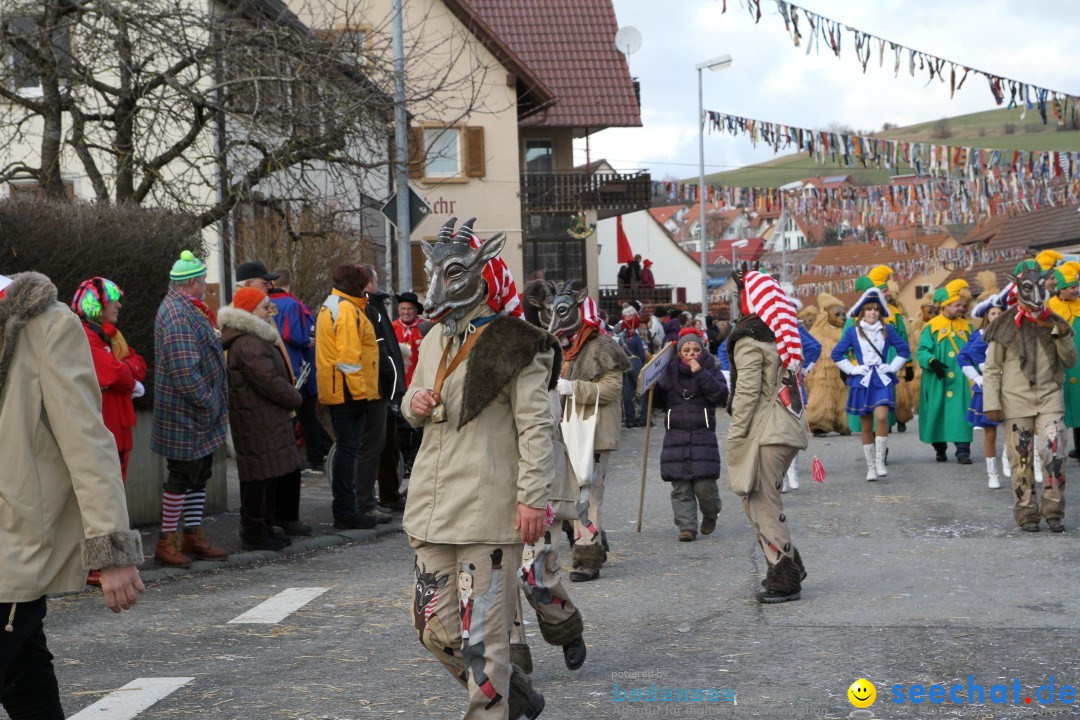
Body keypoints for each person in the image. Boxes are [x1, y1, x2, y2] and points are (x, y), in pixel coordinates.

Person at [404, 217, 552, 719]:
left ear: (481, 273)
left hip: (489, 508)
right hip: (432, 504)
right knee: (433, 627)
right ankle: (515, 694)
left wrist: (534, 496)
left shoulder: (515, 343)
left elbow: (537, 427)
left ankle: (492, 701)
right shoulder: (431, 341)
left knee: (487, 639)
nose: (436, 289)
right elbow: (412, 403)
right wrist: (414, 404)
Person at [1, 271, 145, 719]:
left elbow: (87, 440)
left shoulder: (46, 325)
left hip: (13, 542)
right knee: (24, 679)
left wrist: (112, 549)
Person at [725, 269, 809, 604]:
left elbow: (746, 392)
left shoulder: (749, 338)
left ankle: (784, 577)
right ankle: (789, 563)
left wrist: (735, 434)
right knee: (764, 501)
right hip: (787, 427)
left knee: (761, 504)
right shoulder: (780, 333)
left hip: (765, 430)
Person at [984, 260, 1077, 532]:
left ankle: (1054, 511)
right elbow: (992, 369)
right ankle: (1026, 513)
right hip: (1016, 403)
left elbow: (1070, 361)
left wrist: (1061, 336)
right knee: (1021, 459)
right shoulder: (1004, 325)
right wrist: (991, 403)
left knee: (1054, 451)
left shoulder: (1056, 321)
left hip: (1049, 398)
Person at [151, 250, 229, 567]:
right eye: (202, 280)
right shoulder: (178, 314)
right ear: (192, 282)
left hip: (197, 414)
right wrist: (208, 401)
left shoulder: (188, 308)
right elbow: (184, 371)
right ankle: (166, 541)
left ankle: (192, 535)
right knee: (181, 477)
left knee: (200, 475)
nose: (205, 285)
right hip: (187, 414)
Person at [549, 283, 630, 583]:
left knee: (587, 495)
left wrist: (575, 389)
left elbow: (611, 389)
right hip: (567, 432)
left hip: (594, 433)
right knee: (574, 494)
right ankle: (596, 539)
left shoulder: (603, 347)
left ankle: (586, 558)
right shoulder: (563, 347)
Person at [219, 288, 304, 551]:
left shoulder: (252, 338)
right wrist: (294, 396)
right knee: (258, 478)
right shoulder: (248, 342)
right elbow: (267, 380)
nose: (270, 312)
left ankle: (264, 528)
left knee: (266, 476)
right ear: (249, 311)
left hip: (262, 417)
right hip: (256, 419)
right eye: (265, 307)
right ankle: (254, 532)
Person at [315, 264, 381, 530]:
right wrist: (361, 396)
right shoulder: (346, 310)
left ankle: (346, 509)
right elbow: (349, 358)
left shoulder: (335, 304)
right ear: (357, 284)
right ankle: (346, 511)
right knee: (348, 451)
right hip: (347, 393)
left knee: (347, 450)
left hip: (339, 389)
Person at [71, 277, 147, 485]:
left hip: (117, 426)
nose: (119, 305)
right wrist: (130, 379)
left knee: (117, 485)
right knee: (107, 489)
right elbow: (111, 372)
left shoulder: (109, 335)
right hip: (105, 426)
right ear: (97, 303)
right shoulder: (84, 334)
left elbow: (139, 364)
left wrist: (125, 369)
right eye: (113, 300)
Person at [831, 288, 911, 481]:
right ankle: (871, 467)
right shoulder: (852, 332)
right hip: (862, 379)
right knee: (866, 425)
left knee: (882, 417)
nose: (873, 312)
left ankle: (880, 460)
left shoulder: (888, 330)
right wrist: (852, 369)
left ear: (880, 312)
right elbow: (836, 354)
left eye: (876, 309)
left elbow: (904, 349)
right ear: (862, 312)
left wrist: (891, 367)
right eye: (869, 309)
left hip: (882, 379)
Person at [658, 328, 728, 541]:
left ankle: (710, 512)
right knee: (680, 486)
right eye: (686, 350)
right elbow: (660, 402)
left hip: (702, 435)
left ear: (702, 351)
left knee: (704, 485)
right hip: (675, 436)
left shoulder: (711, 368)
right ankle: (686, 527)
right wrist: (651, 389)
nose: (691, 353)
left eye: (696, 349)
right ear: (679, 353)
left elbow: (720, 394)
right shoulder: (669, 371)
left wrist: (700, 373)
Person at [270, 268, 331, 480]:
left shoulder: (265, 304)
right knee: (306, 415)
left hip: (276, 368)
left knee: (288, 416)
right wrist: (307, 340)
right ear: (290, 282)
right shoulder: (293, 305)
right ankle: (315, 459)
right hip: (299, 367)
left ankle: (294, 458)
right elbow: (291, 333)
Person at [360, 265, 405, 522]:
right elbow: (380, 350)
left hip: (385, 388)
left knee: (390, 444)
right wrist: (394, 385)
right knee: (377, 446)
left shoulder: (375, 307)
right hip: (380, 388)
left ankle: (390, 494)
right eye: (375, 280)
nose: (378, 284)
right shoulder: (369, 309)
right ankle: (373, 499)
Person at [917, 279, 974, 464]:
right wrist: (932, 362)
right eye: (957, 305)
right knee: (937, 411)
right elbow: (922, 351)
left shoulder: (966, 327)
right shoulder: (931, 326)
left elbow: (975, 349)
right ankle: (940, 448)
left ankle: (963, 451)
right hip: (937, 378)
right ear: (946, 306)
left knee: (961, 411)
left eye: (963, 305)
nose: (961, 309)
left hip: (960, 378)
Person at [957, 291, 1008, 489]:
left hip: (1009, 388)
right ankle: (992, 473)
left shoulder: (1012, 333)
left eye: (1000, 313)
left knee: (1012, 429)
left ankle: (1007, 458)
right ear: (987, 316)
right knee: (990, 433)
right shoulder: (979, 335)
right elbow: (963, 358)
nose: (996, 317)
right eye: (993, 314)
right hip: (987, 388)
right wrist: (978, 376)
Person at [393, 291, 425, 494]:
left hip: (419, 386)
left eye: (409, 309)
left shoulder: (424, 328)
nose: (406, 312)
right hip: (399, 386)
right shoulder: (392, 328)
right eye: (403, 309)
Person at [1047, 261, 1080, 459]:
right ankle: (1055, 450)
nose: (1076, 290)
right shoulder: (1050, 307)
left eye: (1077, 286)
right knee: (1059, 406)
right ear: (1062, 289)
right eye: (1072, 287)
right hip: (1060, 362)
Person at [805, 293, 849, 436]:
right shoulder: (816, 334)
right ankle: (819, 423)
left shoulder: (846, 333)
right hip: (823, 375)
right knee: (823, 395)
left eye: (843, 314)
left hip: (843, 374)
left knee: (844, 396)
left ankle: (844, 423)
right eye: (837, 314)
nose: (842, 318)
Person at [615, 306, 647, 428]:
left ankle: (630, 419)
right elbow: (642, 355)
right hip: (636, 364)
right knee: (642, 392)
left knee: (627, 393)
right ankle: (643, 418)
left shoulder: (621, 337)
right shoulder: (636, 337)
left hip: (624, 366)